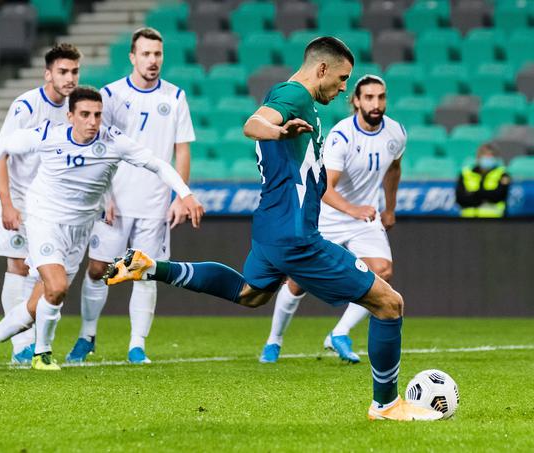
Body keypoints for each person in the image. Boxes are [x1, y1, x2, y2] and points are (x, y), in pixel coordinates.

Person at [104, 37, 442, 421]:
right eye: (343, 78)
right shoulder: (294, 95)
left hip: (271, 225)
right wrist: (275, 130)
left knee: (250, 294)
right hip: (295, 235)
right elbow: (254, 123)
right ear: (322, 70)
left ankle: (150, 267)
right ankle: (386, 405)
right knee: (389, 303)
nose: (345, 87)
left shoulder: (292, 97)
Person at [0, 86, 204, 371]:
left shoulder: (114, 141)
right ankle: (41, 354)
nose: (92, 122)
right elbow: (2, 145)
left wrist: (185, 193)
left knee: (35, 307)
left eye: (97, 115)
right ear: (70, 116)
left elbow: (158, 164)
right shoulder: (48, 135)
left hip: (79, 231)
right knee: (56, 289)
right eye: (85, 114)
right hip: (44, 221)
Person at [66, 27, 195, 365]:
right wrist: (105, 193)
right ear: (132, 57)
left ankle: (137, 345)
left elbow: (182, 151)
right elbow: (98, 147)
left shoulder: (175, 97)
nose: (153, 60)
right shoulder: (109, 96)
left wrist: (180, 197)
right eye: (146, 54)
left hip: (154, 204)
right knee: (97, 269)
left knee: (145, 272)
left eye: (158, 54)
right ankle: (87, 336)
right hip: (115, 202)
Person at [259, 75, 406, 365]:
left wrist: (390, 208)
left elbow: (394, 169)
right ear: (356, 101)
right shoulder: (342, 136)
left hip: (364, 216)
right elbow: (325, 187)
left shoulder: (396, 133)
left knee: (383, 271)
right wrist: (353, 210)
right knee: (298, 281)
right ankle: (273, 340)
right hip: (329, 216)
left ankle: (339, 333)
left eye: (381, 97)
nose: (376, 104)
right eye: (369, 97)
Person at [0, 43, 81, 364]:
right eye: (63, 72)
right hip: (16, 197)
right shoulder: (25, 106)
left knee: (39, 274)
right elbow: (0, 153)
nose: (70, 78)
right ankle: (20, 346)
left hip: (48, 204)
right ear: (48, 73)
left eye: (74, 72)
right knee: (17, 266)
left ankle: (29, 341)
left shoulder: (74, 110)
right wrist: (7, 203)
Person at [455, 143, 510, 218]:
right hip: (467, 220)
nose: (487, 158)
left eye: (490, 156)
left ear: (495, 158)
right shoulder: (465, 173)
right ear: (478, 157)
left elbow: (498, 195)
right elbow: (460, 198)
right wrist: (485, 196)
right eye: (484, 155)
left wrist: (474, 193)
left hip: (494, 220)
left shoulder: (502, 174)